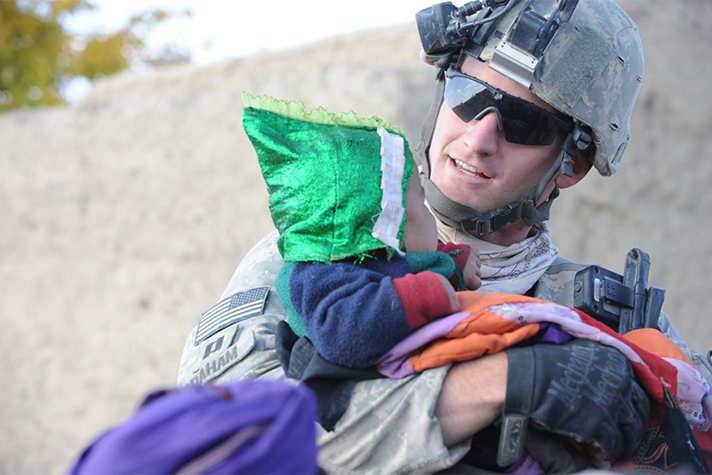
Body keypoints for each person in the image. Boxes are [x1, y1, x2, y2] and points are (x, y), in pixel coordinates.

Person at [177, 1, 712, 473]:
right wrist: (507, 382)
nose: (479, 137)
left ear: (571, 166)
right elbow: (224, 440)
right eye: (467, 94)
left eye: (522, 123)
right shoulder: (319, 258)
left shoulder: (608, 322)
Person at [241, 94, 480, 370]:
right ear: (388, 225)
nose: (429, 213)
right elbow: (342, 333)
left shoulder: (373, 256)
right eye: (420, 203)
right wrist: (423, 297)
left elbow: (406, 265)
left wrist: (452, 263)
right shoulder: (320, 277)